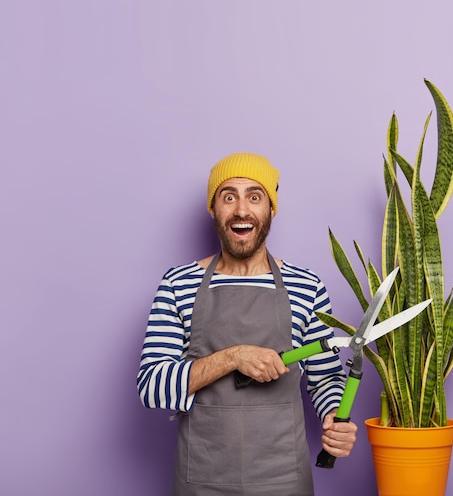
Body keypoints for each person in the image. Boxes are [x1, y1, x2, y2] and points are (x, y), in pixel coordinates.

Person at [137, 152, 358, 495]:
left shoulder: (306, 285)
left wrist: (334, 416)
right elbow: (152, 387)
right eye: (229, 197)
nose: (242, 210)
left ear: (271, 209)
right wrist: (234, 356)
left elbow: (325, 377)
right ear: (213, 209)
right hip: (202, 480)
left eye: (255, 196)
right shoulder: (178, 284)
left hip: (284, 480)